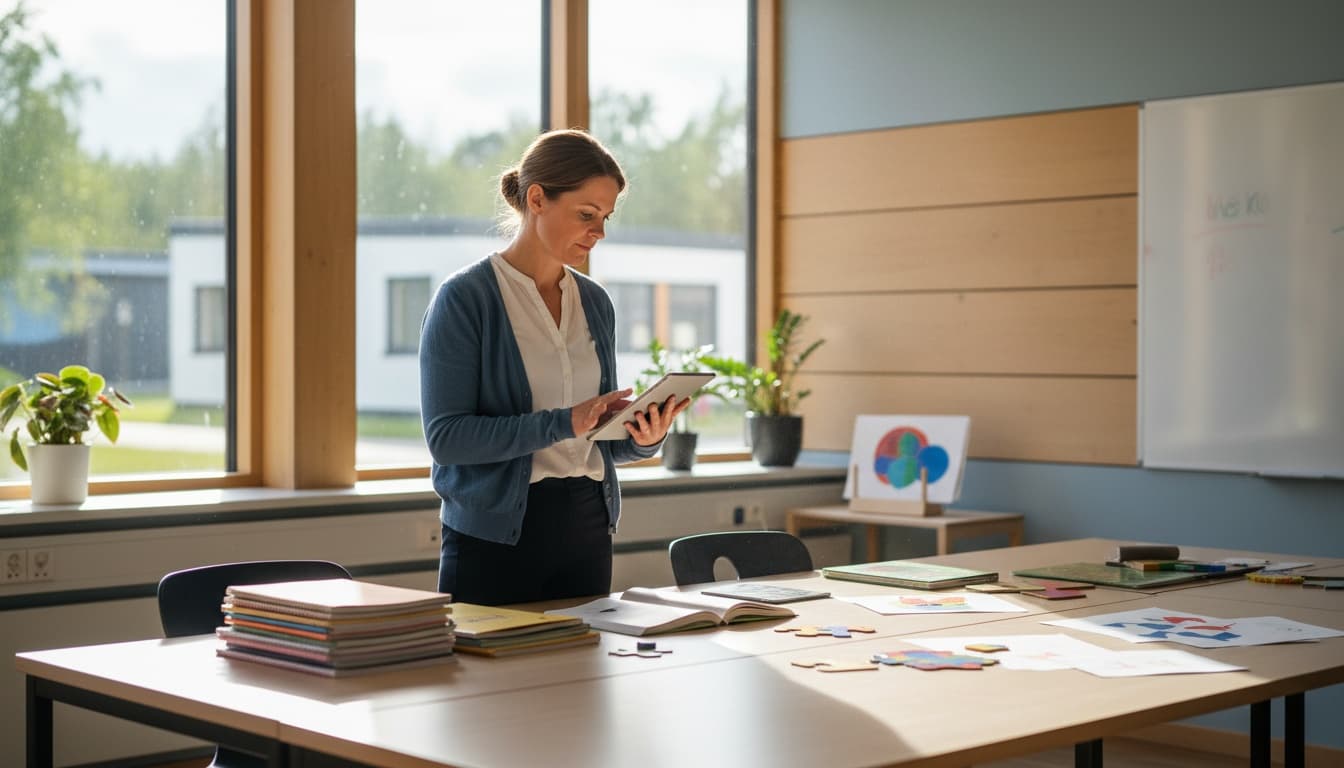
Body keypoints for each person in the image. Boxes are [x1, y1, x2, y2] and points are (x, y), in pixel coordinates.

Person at [419, 129, 689, 606]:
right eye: (586, 214)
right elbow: (447, 439)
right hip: (494, 539)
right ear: (537, 199)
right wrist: (563, 422)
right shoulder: (464, 299)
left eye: (605, 217)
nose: (599, 232)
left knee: (586, 658)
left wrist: (643, 437)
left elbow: (596, 440)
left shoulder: (596, 302)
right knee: (490, 660)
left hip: (588, 527)